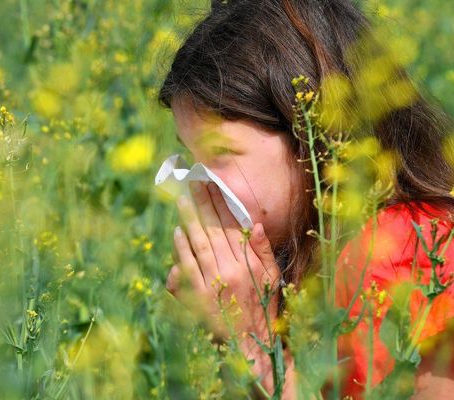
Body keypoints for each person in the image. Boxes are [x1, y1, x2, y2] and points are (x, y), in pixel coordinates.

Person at [159, 0, 454, 398]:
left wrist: (253, 346)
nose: (199, 185)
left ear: (313, 142)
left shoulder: (408, 254)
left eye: (219, 156)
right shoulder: (301, 261)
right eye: (190, 157)